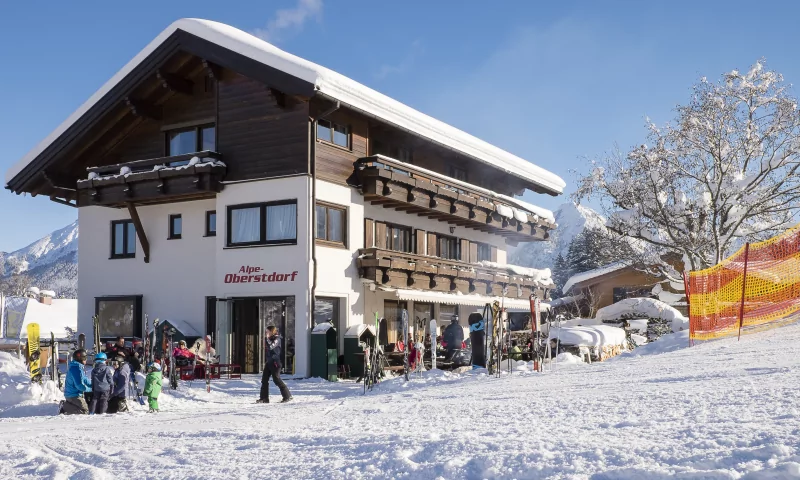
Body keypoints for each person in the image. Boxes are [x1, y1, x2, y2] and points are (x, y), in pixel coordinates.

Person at [257, 326, 292, 404]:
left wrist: (267, 339)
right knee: (264, 380)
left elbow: (271, 347)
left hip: (275, 362)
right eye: (266, 332)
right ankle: (264, 398)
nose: (266, 333)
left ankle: (287, 396)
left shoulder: (277, 339)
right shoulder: (269, 339)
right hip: (269, 362)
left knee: (276, 379)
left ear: (271, 332)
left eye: (267, 332)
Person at [60, 349, 92, 415]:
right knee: (84, 411)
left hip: (74, 394)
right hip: (73, 395)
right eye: (85, 358)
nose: (86, 360)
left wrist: (92, 385)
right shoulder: (76, 369)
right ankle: (65, 408)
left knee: (84, 408)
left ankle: (68, 405)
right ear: (80, 359)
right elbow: (79, 386)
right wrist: (90, 389)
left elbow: (85, 379)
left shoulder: (78, 367)